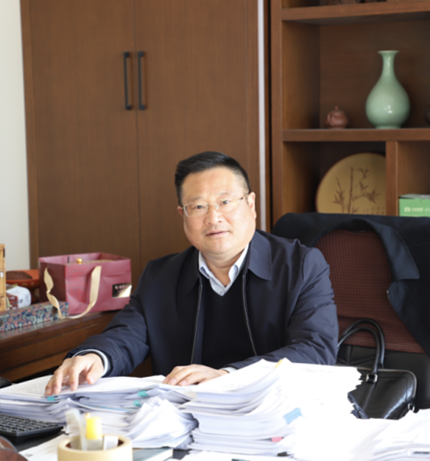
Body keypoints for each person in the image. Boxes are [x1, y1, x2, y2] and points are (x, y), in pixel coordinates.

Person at [45, 152, 338, 396]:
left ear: (250, 204)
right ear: (183, 215)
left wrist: (228, 376)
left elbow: (315, 350)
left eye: (225, 202)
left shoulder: (301, 265)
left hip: (274, 412)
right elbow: (126, 335)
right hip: (187, 419)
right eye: (197, 206)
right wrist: (95, 356)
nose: (213, 217)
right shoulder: (160, 276)